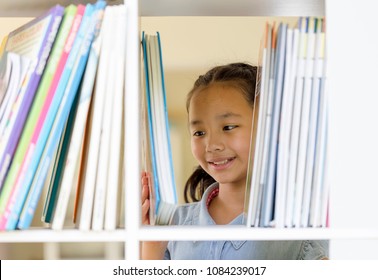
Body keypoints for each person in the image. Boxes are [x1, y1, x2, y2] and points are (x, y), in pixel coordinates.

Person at [141, 62, 329, 260]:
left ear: (269, 127)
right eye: (199, 132)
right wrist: (151, 246)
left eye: (228, 127)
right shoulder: (173, 224)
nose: (211, 145)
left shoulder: (301, 233)